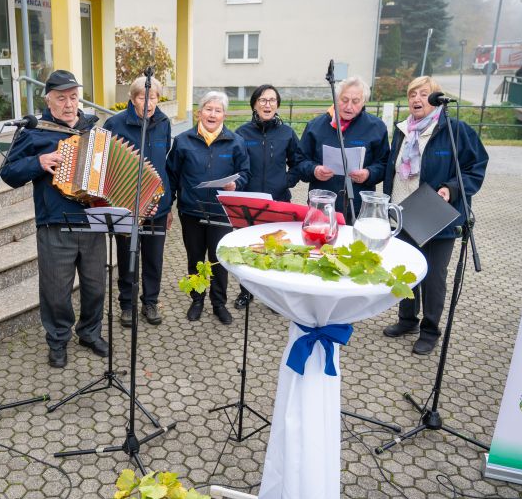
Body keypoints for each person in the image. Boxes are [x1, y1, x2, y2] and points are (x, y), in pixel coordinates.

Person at [1, 70, 108, 369]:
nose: (69, 104)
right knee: (56, 291)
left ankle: (89, 332)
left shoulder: (93, 130)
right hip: (55, 223)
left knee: (96, 286)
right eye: (61, 98)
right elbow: (8, 173)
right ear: (48, 99)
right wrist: (37, 162)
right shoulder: (35, 132)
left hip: (93, 221)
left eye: (73, 97)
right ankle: (58, 339)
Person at [382, 76, 488, 355]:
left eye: (424, 94)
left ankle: (430, 330)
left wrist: (451, 189)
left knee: (433, 276)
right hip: (403, 213)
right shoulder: (402, 130)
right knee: (404, 270)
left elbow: (476, 165)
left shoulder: (454, 130)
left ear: (436, 98)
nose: (416, 99)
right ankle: (407, 320)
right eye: (412, 94)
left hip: (436, 216)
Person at [167, 91, 250, 325]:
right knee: (195, 258)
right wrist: (168, 209)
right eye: (208, 109)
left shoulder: (236, 142)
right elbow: (172, 175)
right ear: (200, 111)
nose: (212, 114)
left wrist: (237, 184)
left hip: (222, 212)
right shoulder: (183, 141)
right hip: (191, 211)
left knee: (217, 260)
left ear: (224, 114)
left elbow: (245, 172)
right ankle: (197, 300)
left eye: (218, 110)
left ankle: (219, 303)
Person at [103, 76, 172, 327]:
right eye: (144, 97)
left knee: (154, 258)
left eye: (153, 97)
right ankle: (127, 304)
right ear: (132, 99)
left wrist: (168, 204)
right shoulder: (115, 123)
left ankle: (150, 302)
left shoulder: (164, 123)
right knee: (127, 256)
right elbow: (107, 165)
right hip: (127, 206)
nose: (149, 102)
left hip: (158, 206)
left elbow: (165, 164)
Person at [232, 84, 300, 310]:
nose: (267, 104)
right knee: (248, 247)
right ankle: (246, 292)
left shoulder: (287, 133)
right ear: (254, 104)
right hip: (248, 202)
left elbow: (297, 164)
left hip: (278, 200)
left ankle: (273, 296)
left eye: (271, 100)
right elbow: (237, 166)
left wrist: (286, 181)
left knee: (276, 247)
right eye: (262, 100)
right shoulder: (242, 133)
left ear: (277, 105)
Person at [293, 76, 390, 220]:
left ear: (364, 102)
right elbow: (299, 160)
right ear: (336, 99)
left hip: (357, 206)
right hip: (322, 204)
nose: (349, 106)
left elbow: (384, 164)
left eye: (355, 101)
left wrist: (368, 173)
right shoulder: (316, 126)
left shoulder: (376, 127)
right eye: (344, 100)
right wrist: (314, 170)